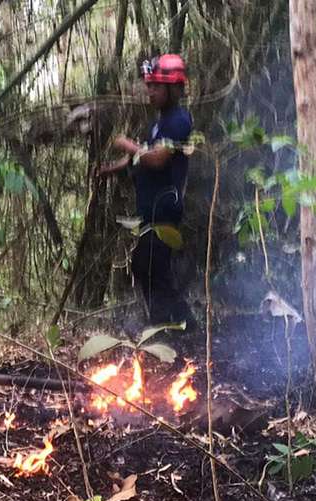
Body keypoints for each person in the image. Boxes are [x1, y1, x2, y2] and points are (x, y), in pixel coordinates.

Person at [98, 53, 197, 329]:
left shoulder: (178, 121)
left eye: (155, 86)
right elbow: (142, 156)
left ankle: (178, 328)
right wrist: (112, 168)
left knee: (154, 269)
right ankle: (170, 326)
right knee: (146, 268)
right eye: (148, 85)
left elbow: (156, 158)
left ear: (171, 88)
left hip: (164, 210)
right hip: (150, 210)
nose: (149, 91)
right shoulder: (160, 122)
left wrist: (124, 143)